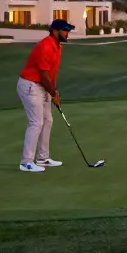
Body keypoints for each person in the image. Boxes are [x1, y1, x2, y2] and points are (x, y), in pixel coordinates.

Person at [17, 18, 73, 172]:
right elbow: (42, 75)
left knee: (48, 120)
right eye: (65, 30)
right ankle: (26, 162)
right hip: (30, 85)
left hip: (42, 85)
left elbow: (50, 73)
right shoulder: (45, 46)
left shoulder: (57, 46)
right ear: (55, 31)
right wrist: (53, 92)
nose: (67, 33)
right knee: (36, 122)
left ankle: (43, 158)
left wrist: (55, 92)